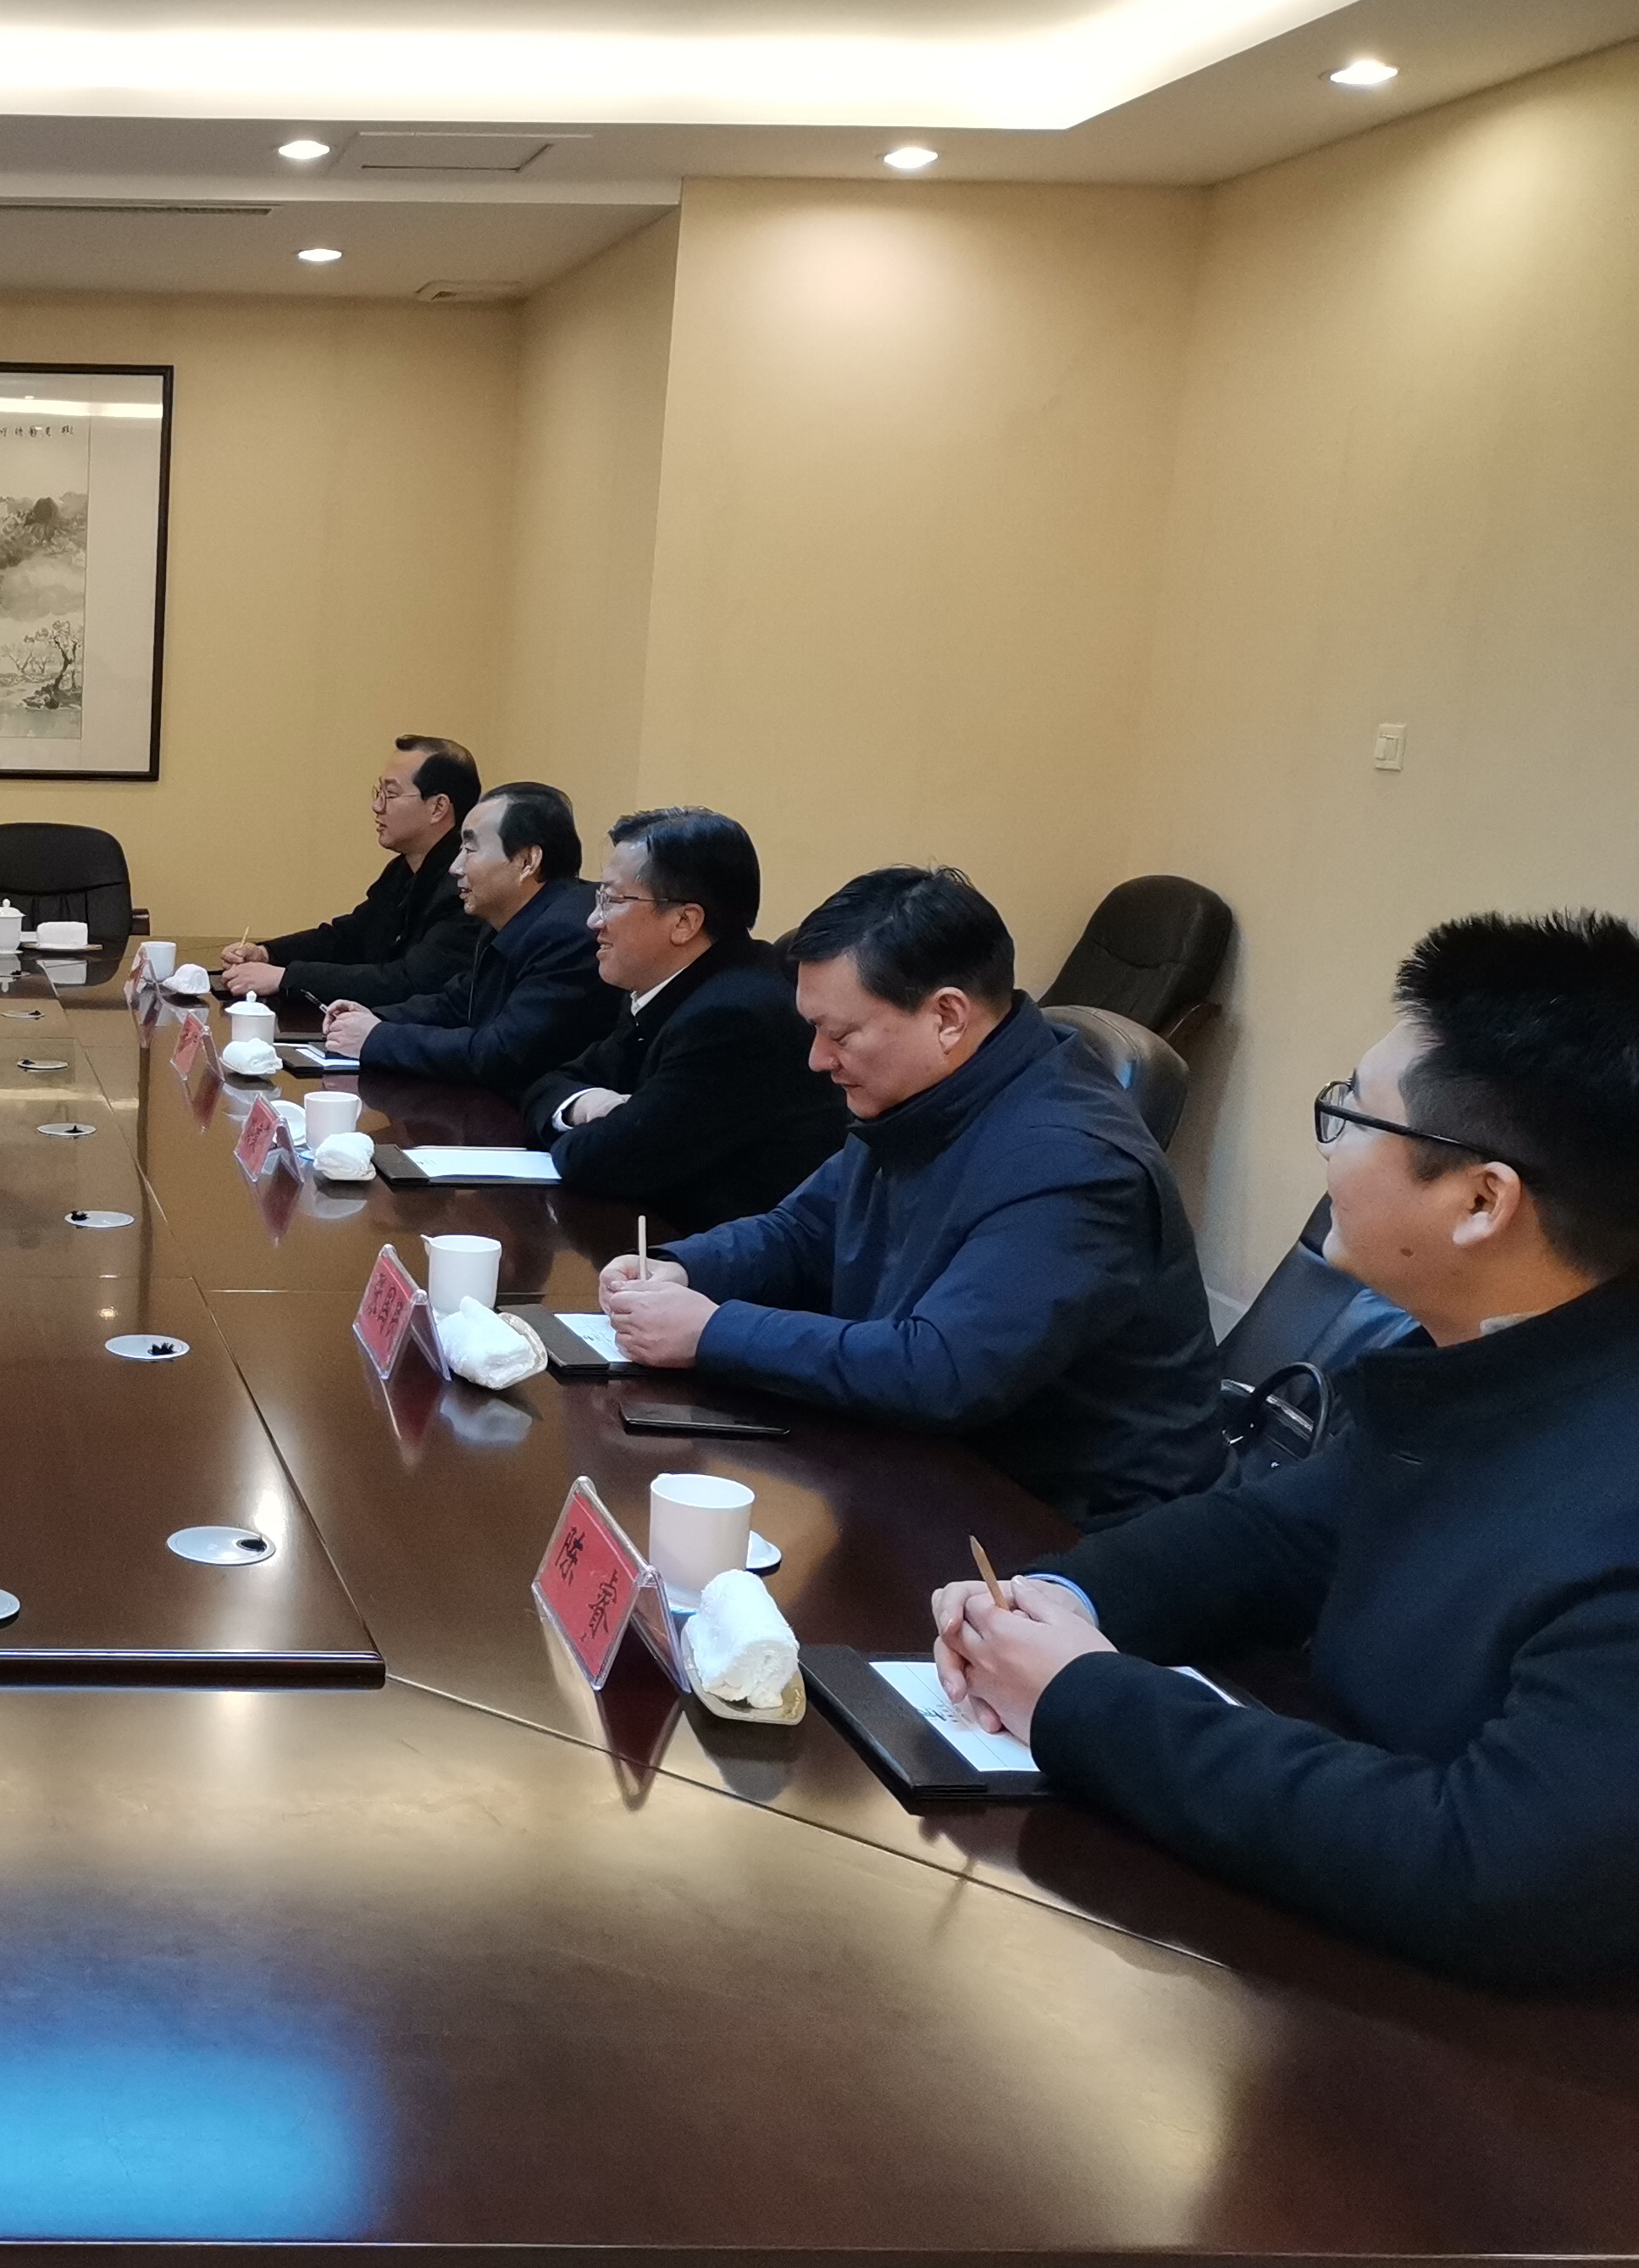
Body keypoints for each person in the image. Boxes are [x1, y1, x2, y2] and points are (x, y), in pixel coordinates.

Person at [933, 912, 1639, 1993]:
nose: (1327, 1148)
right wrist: (1054, 1601)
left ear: (1481, 1201)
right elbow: (1276, 1533)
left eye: (1349, 1113)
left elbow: (1485, 1866)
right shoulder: (1489, 1364)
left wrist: (1080, 1699)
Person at [599, 867, 1224, 1529]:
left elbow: (941, 1370)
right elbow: (804, 1231)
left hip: (1066, 1524)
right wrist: (684, 1268)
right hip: (929, 1462)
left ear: (947, 1017)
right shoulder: (927, 1095)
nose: (817, 1059)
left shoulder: (1074, 1164)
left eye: (840, 1035)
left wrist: (711, 1331)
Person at [517, 807, 845, 1228]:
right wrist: (586, 1105)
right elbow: (547, 1085)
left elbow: (604, 1162)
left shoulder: (734, 1018)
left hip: (723, 1254)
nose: (593, 920)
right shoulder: (671, 987)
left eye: (612, 900)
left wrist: (603, 1126)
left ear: (685, 921)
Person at [318, 781, 618, 1098]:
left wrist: (377, 1038)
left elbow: (502, 1053)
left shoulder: (570, 932)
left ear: (527, 861)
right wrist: (371, 1018)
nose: (455, 867)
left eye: (470, 849)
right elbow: (459, 1002)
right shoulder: (509, 916)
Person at [219, 737, 483, 1008]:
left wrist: (286, 978)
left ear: (438, 808)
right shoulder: (404, 869)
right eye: (378, 792)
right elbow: (351, 938)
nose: (377, 806)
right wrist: (268, 954)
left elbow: (409, 982)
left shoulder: (466, 885)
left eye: (391, 794)